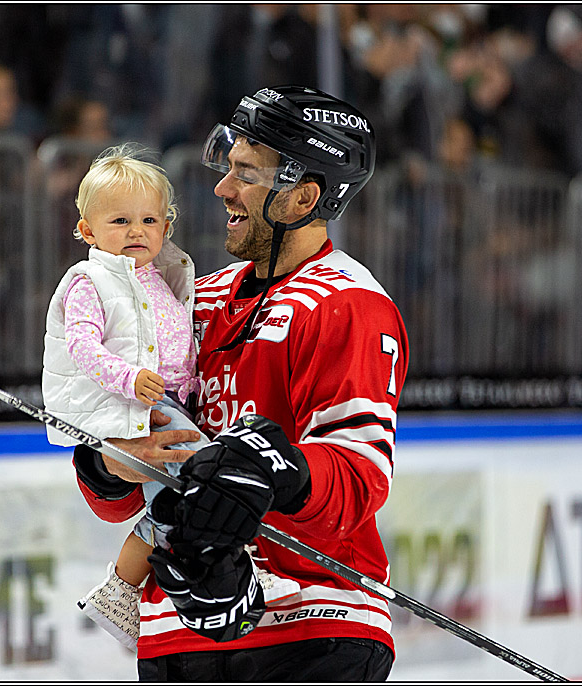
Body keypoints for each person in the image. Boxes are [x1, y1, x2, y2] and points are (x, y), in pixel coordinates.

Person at [70, 86, 408, 681]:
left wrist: (279, 468)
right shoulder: (191, 301)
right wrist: (107, 462)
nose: (224, 188)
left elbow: (359, 480)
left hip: (312, 629)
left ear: (303, 196)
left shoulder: (347, 304)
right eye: (228, 167)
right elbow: (114, 498)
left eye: (247, 175)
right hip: (180, 631)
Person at [41, 143, 299, 650]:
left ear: (166, 227)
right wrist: (130, 379)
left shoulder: (166, 279)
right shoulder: (89, 280)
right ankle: (221, 568)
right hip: (130, 406)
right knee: (210, 474)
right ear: (87, 231)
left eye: (149, 220)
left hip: (163, 401)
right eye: (119, 221)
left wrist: (187, 385)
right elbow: (82, 347)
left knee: (180, 503)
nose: (136, 232)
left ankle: (120, 588)